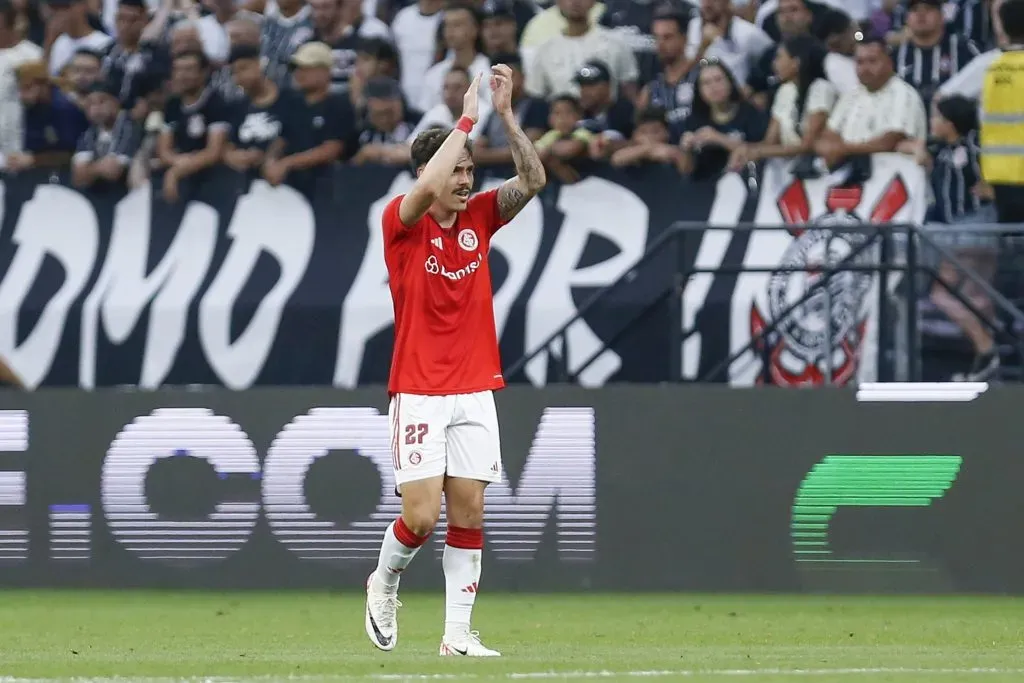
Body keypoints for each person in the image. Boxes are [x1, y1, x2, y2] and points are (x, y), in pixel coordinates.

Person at [365, 63, 546, 658]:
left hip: (474, 386)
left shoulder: (481, 217)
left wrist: (506, 116)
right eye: (457, 169)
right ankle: (384, 581)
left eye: (471, 170)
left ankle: (457, 635)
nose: (466, 180)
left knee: (470, 507)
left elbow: (534, 179)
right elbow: (421, 195)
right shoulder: (401, 222)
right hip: (418, 386)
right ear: (429, 173)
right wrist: (466, 118)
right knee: (419, 517)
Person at [979, 0, 1024, 223]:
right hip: (1005, 178)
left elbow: (944, 100)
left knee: (1010, 248)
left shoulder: (989, 64)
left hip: (1001, 176)